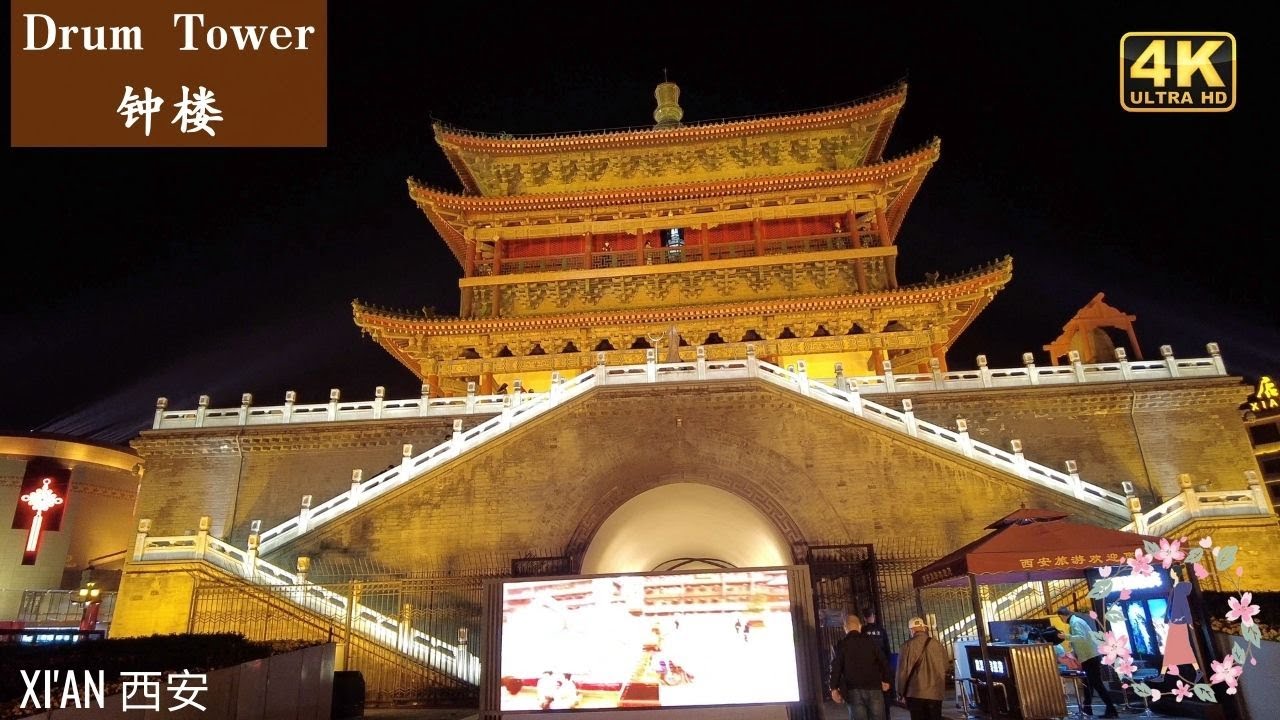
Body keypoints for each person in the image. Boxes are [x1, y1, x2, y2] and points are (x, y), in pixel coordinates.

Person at [1058, 606, 1118, 718]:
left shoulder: (1075, 622)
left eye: (1060, 618)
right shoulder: (1076, 621)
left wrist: (1065, 636)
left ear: (1062, 616)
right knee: (1088, 684)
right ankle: (1088, 708)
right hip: (1089, 656)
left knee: (1096, 684)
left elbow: (1081, 637)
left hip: (1089, 657)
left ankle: (1111, 710)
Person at [830, 614, 892, 720]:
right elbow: (883, 661)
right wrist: (886, 680)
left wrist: (834, 688)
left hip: (853, 689)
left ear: (845, 628)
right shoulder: (871, 642)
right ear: (859, 626)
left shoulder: (842, 645)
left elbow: (836, 667)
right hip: (874, 686)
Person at [895, 617, 948, 720]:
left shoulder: (906, 646)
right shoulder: (937, 644)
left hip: (915, 693)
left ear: (912, 630)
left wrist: (900, 693)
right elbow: (945, 666)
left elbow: (902, 673)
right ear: (924, 628)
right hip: (935, 693)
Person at [1161, 568, 1199, 675]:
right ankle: (1197, 670)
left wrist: (1189, 620)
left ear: (1176, 573)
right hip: (1175, 621)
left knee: (1178, 647)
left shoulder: (1180, 587)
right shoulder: (1175, 587)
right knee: (1181, 647)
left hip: (1178, 621)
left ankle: (1197, 670)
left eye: (1172, 571)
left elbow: (1184, 605)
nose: (1171, 573)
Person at [861, 608, 892, 718]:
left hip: (869, 669)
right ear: (873, 616)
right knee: (885, 697)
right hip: (882, 668)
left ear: (864, 618)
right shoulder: (881, 630)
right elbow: (888, 650)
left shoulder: (862, 631)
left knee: (871, 697)